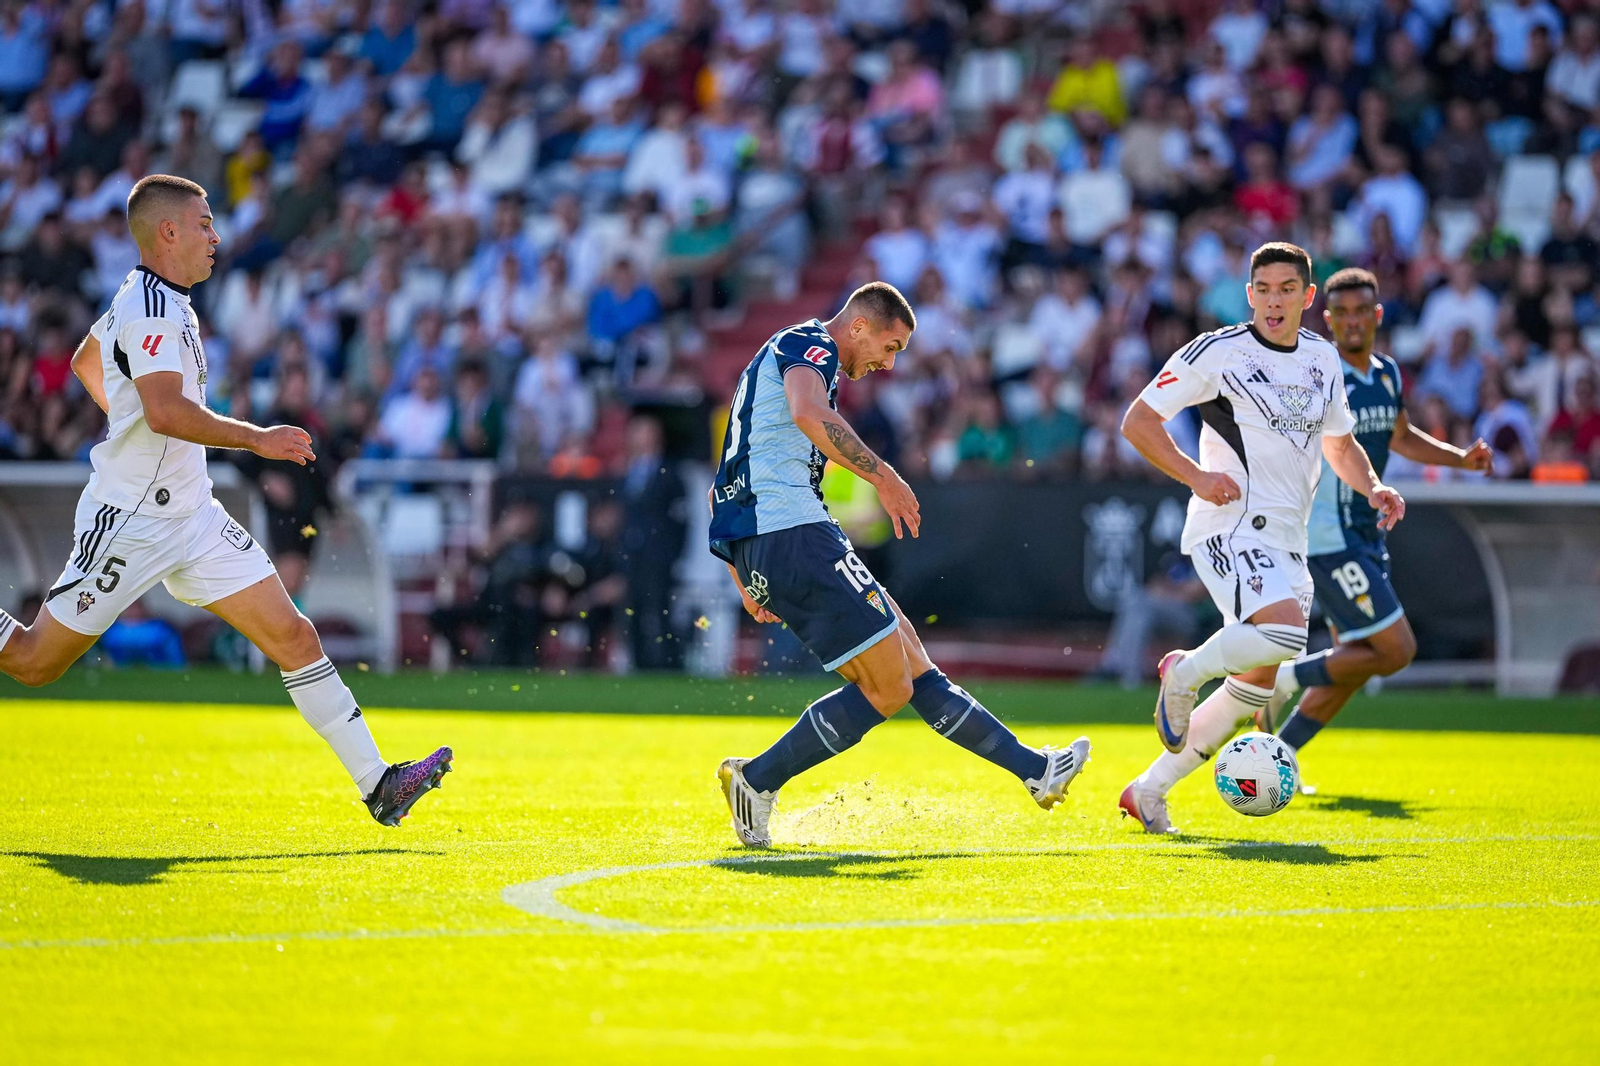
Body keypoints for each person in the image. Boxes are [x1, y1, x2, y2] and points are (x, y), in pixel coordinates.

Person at [0, 175, 451, 827]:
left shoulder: (152, 297)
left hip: (193, 517)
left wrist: (130, 416)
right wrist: (255, 438)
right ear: (168, 233)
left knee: (295, 635)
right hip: (131, 521)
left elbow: (87, 362)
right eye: (205, 223)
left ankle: (379, 784)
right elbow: (162, 410)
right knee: (35, 663)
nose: (216, 236)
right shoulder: (153, 307)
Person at [711, 282, 1090, 848]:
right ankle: (757, 779)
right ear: (858, 326)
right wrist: (883, 476)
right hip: (793, 533)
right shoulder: (808, 343)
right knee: (888, 688)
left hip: (774, 540)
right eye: (889, 347)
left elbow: (727, 476)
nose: (887, 364)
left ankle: (1035, 771)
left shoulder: (792, 364)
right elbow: (808, 412)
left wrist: (743, 572)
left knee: (910, 656)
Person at [1116, 242, 1405, 834]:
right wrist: (1196, 476)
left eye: (1286, 289)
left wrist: (1373, 487)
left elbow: (1340, 444)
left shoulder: (1323, 360)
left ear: (1306, 296)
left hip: (1289, 540)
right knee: (1283, 631)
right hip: (1230, 524)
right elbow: (1138, 422)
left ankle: (1148, 791)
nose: (1274, 301)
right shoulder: (1219, 352)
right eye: (1264, 290)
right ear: (1249, 296)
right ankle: (1185, 672)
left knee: (1257, 685)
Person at [1261, 269, 1492, 771]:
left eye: (1361, 311)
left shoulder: (1386, 372)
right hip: (1328, 534)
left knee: (1354, 664)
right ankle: (1281, 680)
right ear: (1326, 319)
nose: (1351, 322)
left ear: (1377, 315)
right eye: (1340, 313)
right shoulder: (1319, 373)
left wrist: (1458, 458)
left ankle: (1277, 757)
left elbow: (1399, 434)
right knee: (1396, 649)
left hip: (1367, 533)